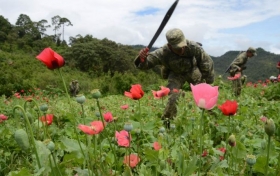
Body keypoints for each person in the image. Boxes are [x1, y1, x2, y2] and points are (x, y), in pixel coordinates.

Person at [134, 28, 214, 127]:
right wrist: (142, 59)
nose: (181, 50)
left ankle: (212, 119)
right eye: (177, 48)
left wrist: (207, 82)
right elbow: (145, 65)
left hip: (192, 70)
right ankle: (167, 122)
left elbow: (206, 62)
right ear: (169, 46)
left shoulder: (193, 47)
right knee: (173, 97)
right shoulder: (162, 53)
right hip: (175, 74)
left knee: (204, 93)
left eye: (182, 46)